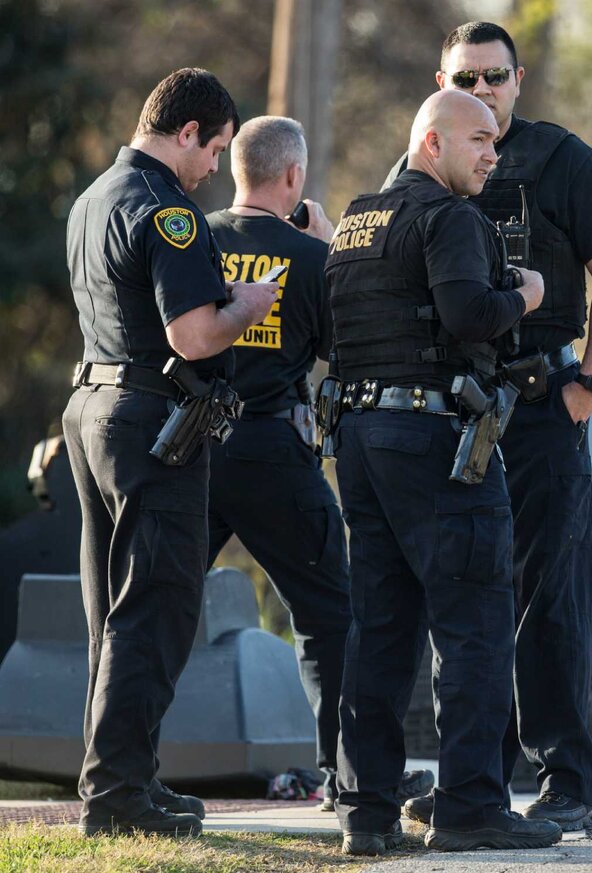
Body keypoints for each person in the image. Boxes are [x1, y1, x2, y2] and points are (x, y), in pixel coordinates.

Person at [384, 21, 592, 832]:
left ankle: (566, 779)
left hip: (541, 400)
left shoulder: (560, 156)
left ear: (519, 79)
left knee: (549, 594)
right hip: (456, 408)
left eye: (496, 77)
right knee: (468, 595)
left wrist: (589, 383)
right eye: (468, 77)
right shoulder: (420, 163)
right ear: (443, 80)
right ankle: (476, 778)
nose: (484, 90)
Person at [329, 89, 559, 855]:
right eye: (479, 141)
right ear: (431, 144)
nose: (494, 153)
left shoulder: (358, 221)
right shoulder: (451, 218)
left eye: (496, 142)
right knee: (475, 627)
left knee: (380, 630)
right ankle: (468, 807)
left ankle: (365, 812)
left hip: (361, 439)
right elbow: (468, 315)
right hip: (435, 442)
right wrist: (523, 293)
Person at [62, 68, 278, 837]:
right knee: (154, 605)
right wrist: (245, 308)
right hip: (151, 422)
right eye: (214, 148)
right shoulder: (169, 213)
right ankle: (118, 796)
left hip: (91, 407)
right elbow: (192, 335)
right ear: (186, 132)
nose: (215, 166)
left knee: (111, 611)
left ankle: (125, 779)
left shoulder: (94, 199)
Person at [204, 115, 433, 814]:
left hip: (194, 450)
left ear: (234, 169)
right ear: (293, 177)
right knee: (332, 617)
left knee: (156, 608)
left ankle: (123, 776)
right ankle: (352, 777)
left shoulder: (192, 241)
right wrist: (330, 244)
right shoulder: (311, 259)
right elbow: (352, 345)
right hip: (276, 451)